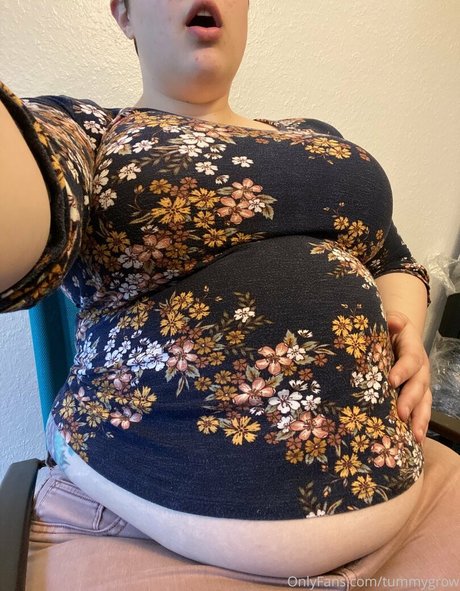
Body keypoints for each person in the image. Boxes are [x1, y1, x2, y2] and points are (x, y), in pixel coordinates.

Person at [1, 1, 459, 588]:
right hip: (149, 536)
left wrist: (403, 332)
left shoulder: (316, 137)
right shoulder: (89, 130)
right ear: (124, 14)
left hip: (415, 497)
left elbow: (393, 259)